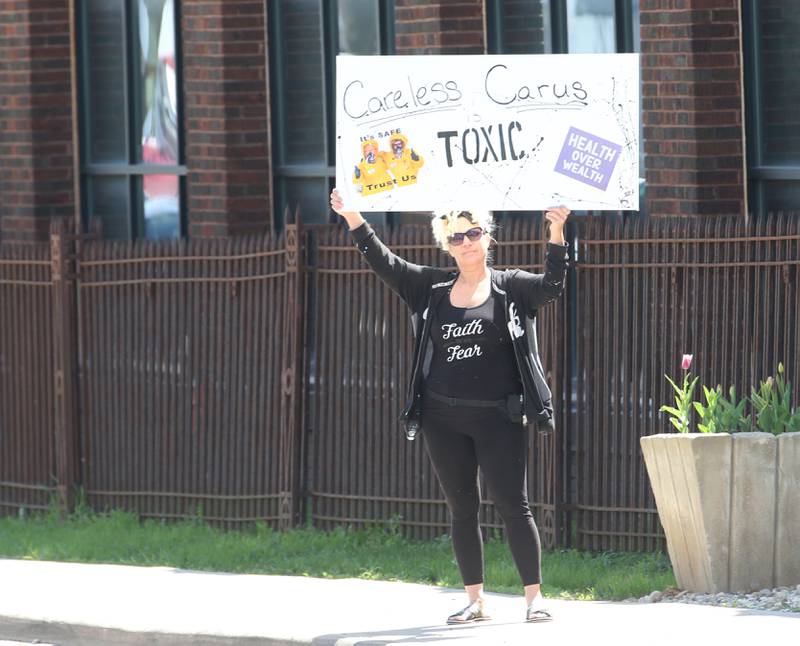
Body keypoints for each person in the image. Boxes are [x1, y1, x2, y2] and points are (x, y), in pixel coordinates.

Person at [329, 188, 570, 624]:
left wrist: (556, 232)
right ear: (446, 244)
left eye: (473, 233)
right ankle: (474, 600)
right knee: (462, 508)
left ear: (488, 236)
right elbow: (385, 262)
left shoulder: (511, 286)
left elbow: (552, 287)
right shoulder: (431, 289)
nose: (466, 243)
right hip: (442, 417)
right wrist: (352, 216)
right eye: (456, 237)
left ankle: (534, 599)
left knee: (514, 505)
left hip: (498, 415)